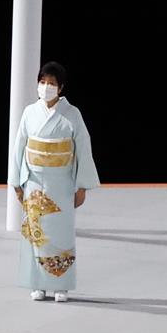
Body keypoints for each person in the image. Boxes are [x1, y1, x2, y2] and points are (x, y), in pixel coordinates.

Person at [11, 61, 101, 302]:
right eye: (42, 82)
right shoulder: (30, 112)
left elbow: (83, 149)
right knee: (36, 233)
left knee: (61, 235)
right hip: (34, 181)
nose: (46, 87)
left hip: (61, 182)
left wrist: (82, 186)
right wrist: (16, 182)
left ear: (60, 88)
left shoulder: (72, 114)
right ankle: (38, 283)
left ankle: (61, 285)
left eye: (51, 83)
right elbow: (19, 147)